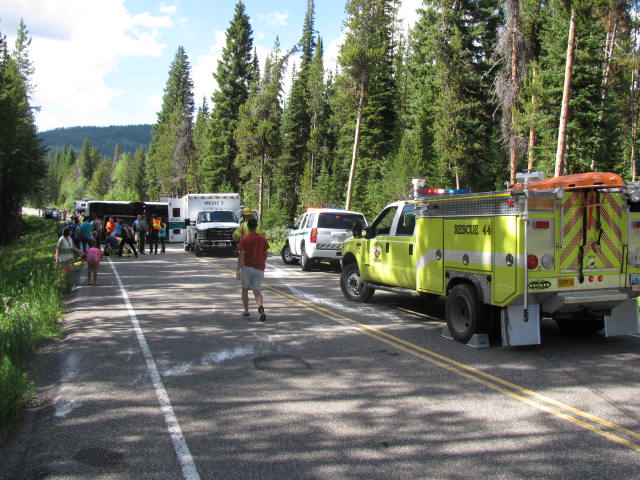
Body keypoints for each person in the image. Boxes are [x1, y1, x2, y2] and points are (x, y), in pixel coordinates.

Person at [235, 217, 269, 322]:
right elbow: (265, 253)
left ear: (248, 226)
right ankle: (261, 308)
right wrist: (262, 262)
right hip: (259, 268)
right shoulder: (263, 239)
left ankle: (246, 311)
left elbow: (242, 255)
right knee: (257, 291)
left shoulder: (245, 239)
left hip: (248, 267)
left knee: (245, 290)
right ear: (256, 226)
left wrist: (238, 270)